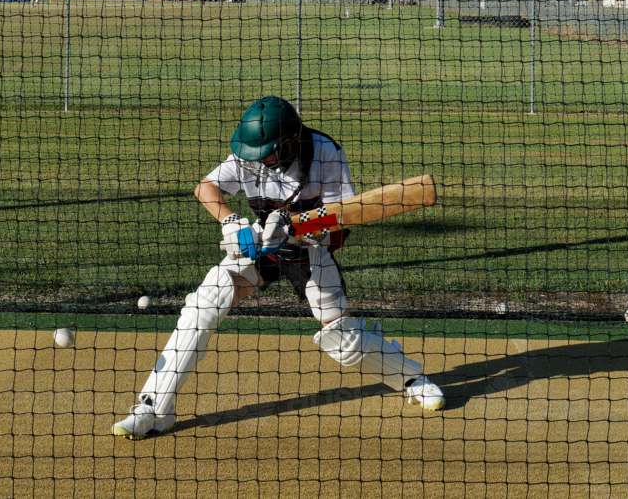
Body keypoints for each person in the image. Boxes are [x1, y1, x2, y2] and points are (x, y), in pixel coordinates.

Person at [113, 96, 445, 439]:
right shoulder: (249, 153)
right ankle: (153, 409)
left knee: (342, 341)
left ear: (288, 144)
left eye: (266, 153)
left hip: (309, 248)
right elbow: (205, 187)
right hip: (262, 242)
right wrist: (228, 221)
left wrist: (292, 226)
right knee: (205, 302)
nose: (255, 160)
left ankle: (411, 378)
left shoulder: (325, 153)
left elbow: (344, 219)